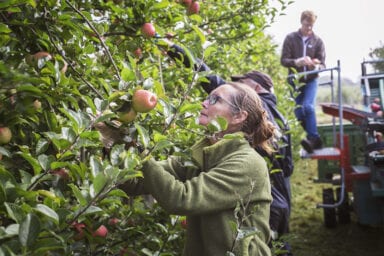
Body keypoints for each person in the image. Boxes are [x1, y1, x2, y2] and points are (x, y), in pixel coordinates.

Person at [120, 82, 275, 256]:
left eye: (215, 99)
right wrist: (119, 138)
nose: (204, 102)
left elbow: (181, 198)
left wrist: (140, 151)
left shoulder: (248, 163)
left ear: (239, 116)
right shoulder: (201, 154)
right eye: (207, 97)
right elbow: (135, 182)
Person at [280, 10, 326, 153]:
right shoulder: (290, 38)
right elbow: (284, 60)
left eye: (311, 25)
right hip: (295, 80)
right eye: (307, 25)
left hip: (311, 80)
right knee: (299, 113)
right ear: (301, 22)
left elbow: (323, 64)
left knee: (309, 107)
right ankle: (315, 139)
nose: (309, 28)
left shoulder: (318, 41)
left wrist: (316, 65)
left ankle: (313, 138)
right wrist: (297, 62)